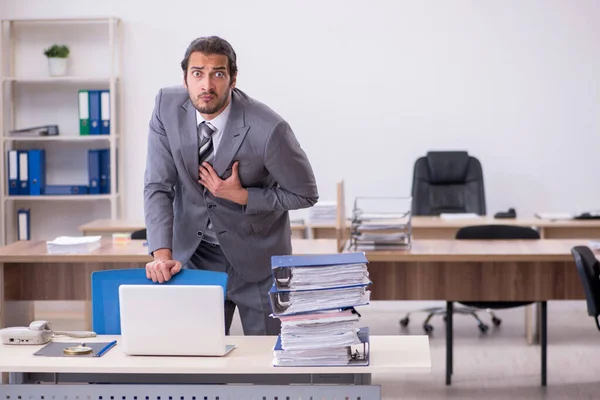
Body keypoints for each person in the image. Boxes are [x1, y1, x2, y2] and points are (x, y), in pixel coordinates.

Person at [143, 36, 318, 336]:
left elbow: (305, 194)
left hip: (257, 259)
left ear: (233, 79)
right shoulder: (165, 107)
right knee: (197, 363)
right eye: (197, 73)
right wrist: (161, 253)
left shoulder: (269, 129)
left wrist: (242, 195)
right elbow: (158, 185)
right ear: (185, 78)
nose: (207, 85)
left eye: (218, 74)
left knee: (268, 365)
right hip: (196, 257)